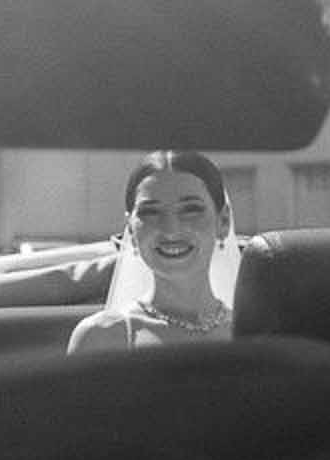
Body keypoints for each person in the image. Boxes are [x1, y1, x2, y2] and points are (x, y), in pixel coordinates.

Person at [68, 150, 237, 353]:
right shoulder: (102, 336)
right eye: (150, 212)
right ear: (131, 229)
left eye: (190, 209)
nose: (171, 230)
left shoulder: (255, 333)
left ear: (223, 221)